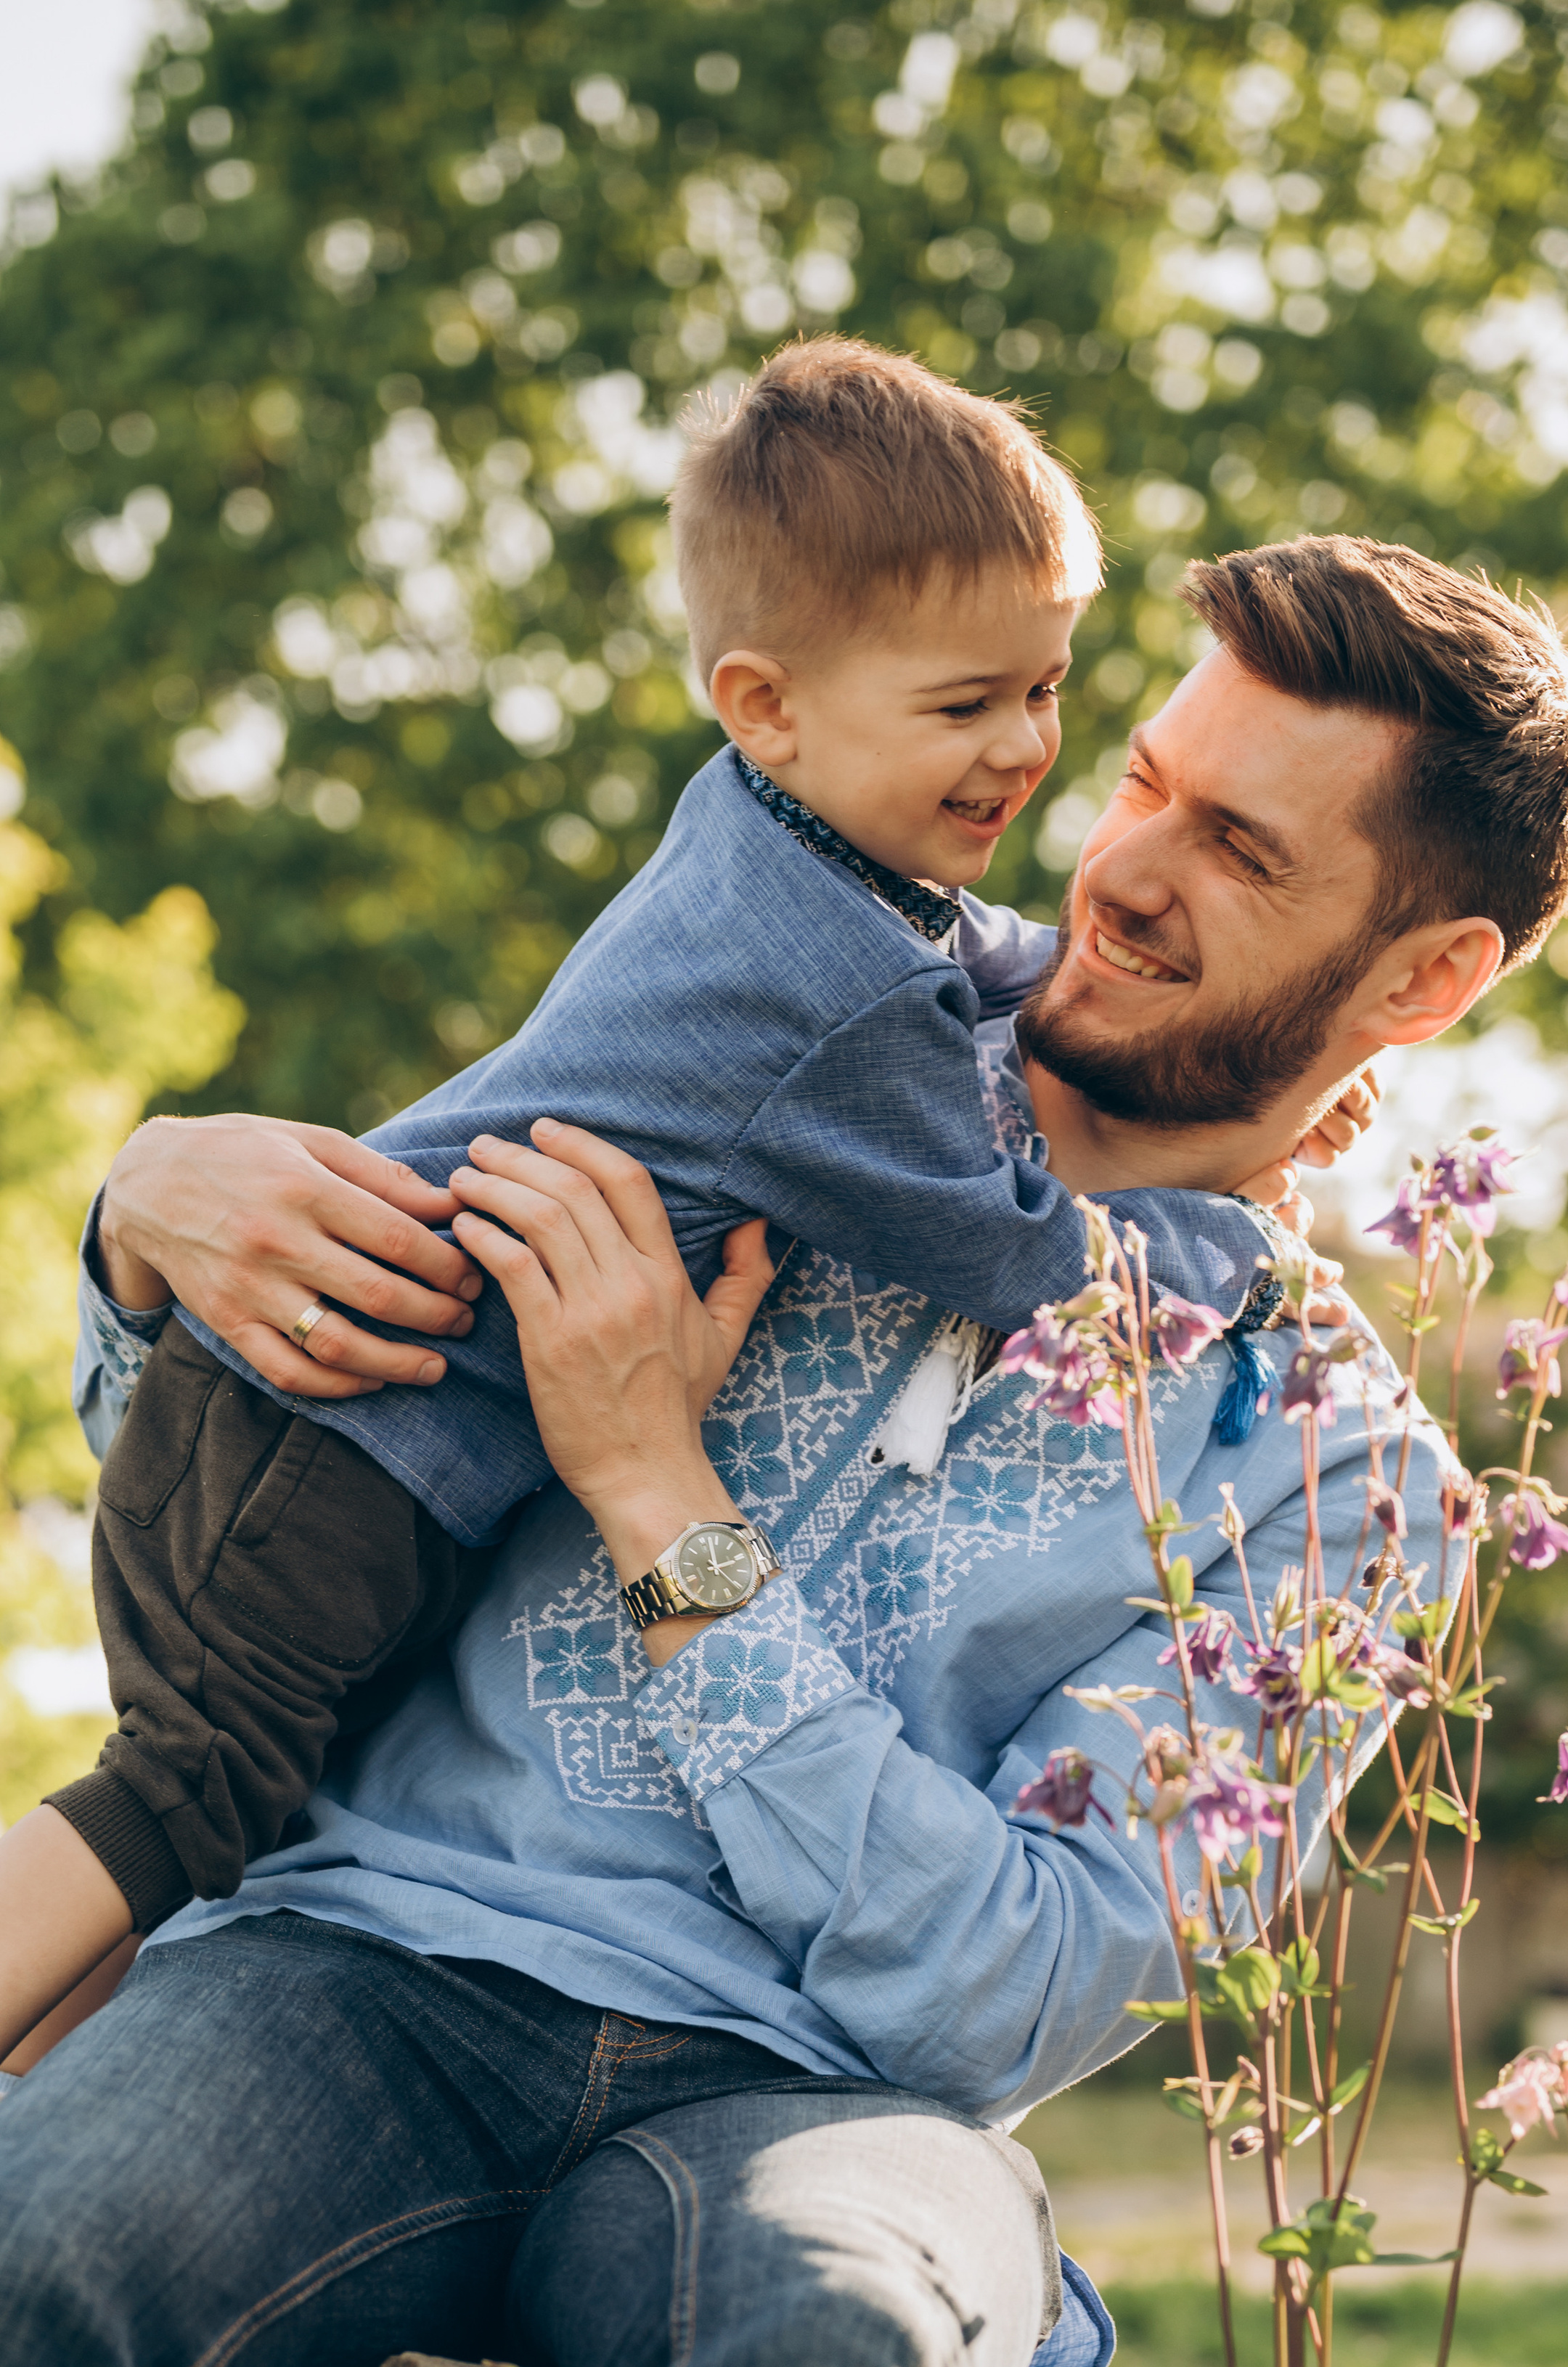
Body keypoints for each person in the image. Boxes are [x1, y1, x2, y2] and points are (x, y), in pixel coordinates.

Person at [0, 534, 1568, 2367]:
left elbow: (1004, 1989)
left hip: (826, 2108)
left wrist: (665, 1508)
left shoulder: (1347, 1492)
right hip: (364, 1972)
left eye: (1238, 850)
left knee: (828, 2357)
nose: (1122, 864)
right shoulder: (770, 1018)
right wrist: (147, 1243)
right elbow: (276, 1533)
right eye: (1143, 777)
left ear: (1423, 974)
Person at [16, 332, 1367, 1966]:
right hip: (329, 1453)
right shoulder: (842, 996)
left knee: (196, 1840)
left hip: (322, 1427)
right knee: (178, 1802)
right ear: (765, 703)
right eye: (966, 705)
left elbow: (980, 958)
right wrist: (1222, 1239)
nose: (1026, 752)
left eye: (1046, 689)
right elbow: (1016, 1256)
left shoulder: (767, 831)